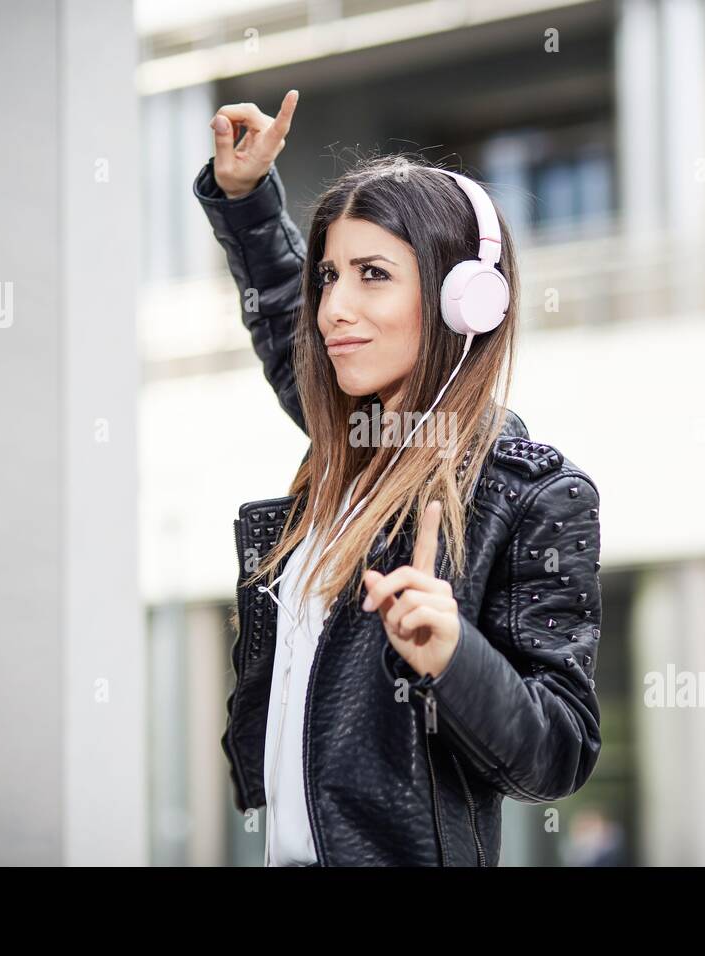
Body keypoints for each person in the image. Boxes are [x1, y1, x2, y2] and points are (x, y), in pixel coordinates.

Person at [194, 90, 604, 866]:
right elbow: (285, 310)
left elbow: (559, 752)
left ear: (464, 300)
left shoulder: (530, 491)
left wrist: (457, 656)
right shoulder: (349, 439)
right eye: (330, 276)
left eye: (372, 275)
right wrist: (246, 198)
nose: (333, 309)